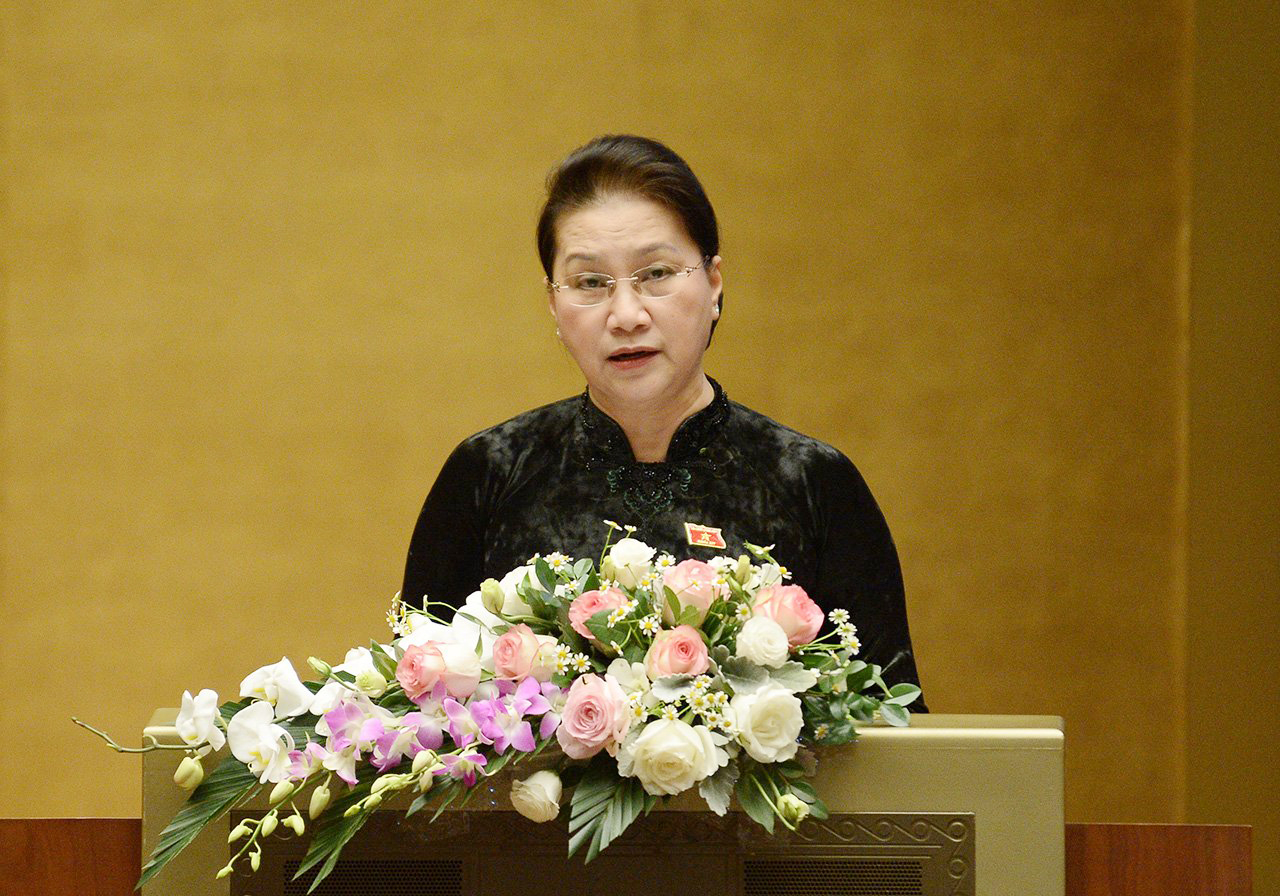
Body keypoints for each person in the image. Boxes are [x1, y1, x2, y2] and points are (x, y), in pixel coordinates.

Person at [402, 135, 926, 705]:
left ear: (714, 284)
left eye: (656, 273)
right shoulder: (489, 472)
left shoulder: (811, 481)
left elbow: (892, 722)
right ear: (553, 305)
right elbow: (415, 714)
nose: (626, 315)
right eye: (590, 283)